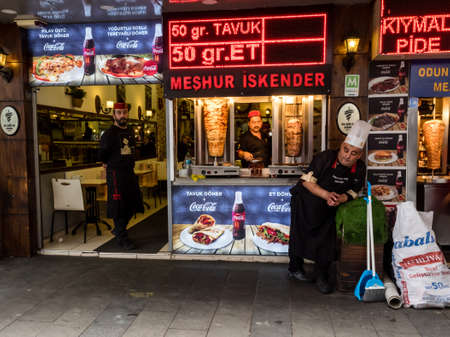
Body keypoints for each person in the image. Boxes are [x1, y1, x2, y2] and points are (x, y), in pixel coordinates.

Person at [288, 120, 371, 294]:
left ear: (359, 155)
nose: (347, 156)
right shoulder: (325, 158)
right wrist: (327, 195)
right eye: (345, 150)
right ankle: (295, 268)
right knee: (300, 233)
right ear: (341, 147)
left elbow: (354, 191)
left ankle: (322, 276)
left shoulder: (360, 168)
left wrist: (341, 198)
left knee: (326, 240)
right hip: (306, 201)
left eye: (353, 153)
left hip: (330, 207)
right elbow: (306, 182)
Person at [99, 102, 144, 250]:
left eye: (124, 112)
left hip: (129, 172)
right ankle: (122, 237)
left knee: (134, 202)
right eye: (119, 113)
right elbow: (102, 154)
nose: (122, 115)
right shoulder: (109, 134)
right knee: (119, 206)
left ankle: (118, 230)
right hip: (115, 173)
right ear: (114, 115)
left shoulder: (130, 130)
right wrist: (106, 163)